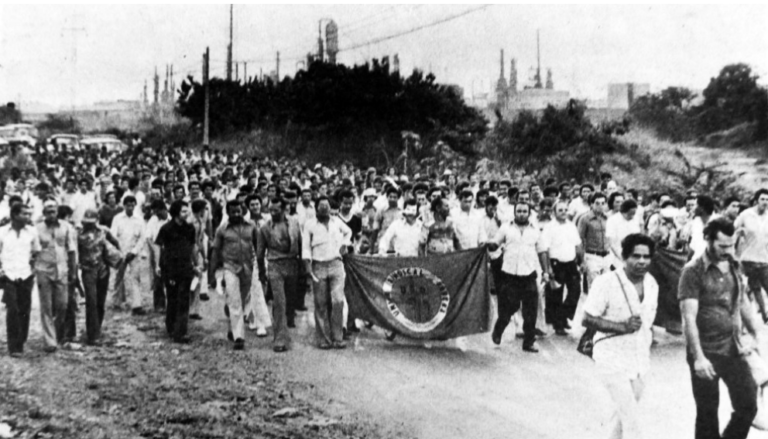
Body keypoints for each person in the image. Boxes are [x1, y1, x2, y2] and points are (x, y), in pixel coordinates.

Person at [679, 217, 761, 439]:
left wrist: (756, 335)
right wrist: (698, 358)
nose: (728, 251)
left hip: (734, 348)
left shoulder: (734, 264)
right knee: (707, 413)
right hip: (706, 351)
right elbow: (688, 317)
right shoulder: (692, 271)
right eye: (722, 246)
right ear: (707, 239)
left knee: (748, 405)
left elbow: (742, 301)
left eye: (731, 245)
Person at [583, 233, 658, 439]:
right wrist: (620, 327)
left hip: (639, 359)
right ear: (624, 257)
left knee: (623, 415)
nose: (642, 261)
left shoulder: (652, 284)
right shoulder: (606, 282)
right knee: (631, 417)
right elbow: (587, 318)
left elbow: (647, 323)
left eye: (646, 257)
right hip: (610, 357)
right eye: (636, 256)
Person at [487, 202, 550, 352]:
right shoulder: (506, 228)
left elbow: (542, 251)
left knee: (530, 311)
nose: (521, 214)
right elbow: (495, 244)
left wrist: (546, 272)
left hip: (528, 275)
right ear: (514, 213)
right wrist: (488, 245)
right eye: (519, 211)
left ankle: (528, 342)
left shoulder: (535, 230)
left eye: (524, 211)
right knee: (509, 308)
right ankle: (499, 329)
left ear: (529, 213)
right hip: (509, 275)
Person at [302, 195, 352, 349]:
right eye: (321, 206)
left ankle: (338, 337)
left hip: (336, 264)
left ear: (330, 208)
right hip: (318, 266)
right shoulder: (309, 225)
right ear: (316, 208)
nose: (324, 209)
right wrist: (307, 267)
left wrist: (344, 244)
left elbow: (349, 232)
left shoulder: (337, 222)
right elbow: (306, 247)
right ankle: (324, 339)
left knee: (338, 301)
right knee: (321, 303)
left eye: (327, 206)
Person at [209, 201, 259, 350]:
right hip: (230, 267)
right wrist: (212, 274)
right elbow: (215, 251)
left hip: (247, 268)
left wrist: (261, 268)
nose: (236, 214)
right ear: (228, 213)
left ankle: (232, 325)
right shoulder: (222, 229)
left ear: (242, 211)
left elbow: (258, 247)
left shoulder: (251, 226)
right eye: (233, 212)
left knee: (241, 300)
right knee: (235, 300)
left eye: (239, 211)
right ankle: (239, 337)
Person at [257, 197, 302, 352]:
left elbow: (301, 244)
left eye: (276, 210)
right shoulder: (265, 228)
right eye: (271, 210)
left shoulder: (294, 223)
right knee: (279, 301)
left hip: (292, 263)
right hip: (275, 264)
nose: (273, 213)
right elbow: (260, 253)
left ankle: (285, 330)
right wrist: (262, 272)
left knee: (289, 301)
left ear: (284, 209)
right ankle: (279, 339)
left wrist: (303, 267)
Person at [35, 200, 78, 352]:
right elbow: (32, 250)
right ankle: (50, 341)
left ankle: (58, 334)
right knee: (46, 307)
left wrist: (73, 272)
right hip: (43, 270)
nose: (51, 214)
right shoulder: (37, 228)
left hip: (62, 270)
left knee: (62, 305)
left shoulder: (66, 227)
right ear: (44, 213)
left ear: (57, 212)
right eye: (48, 211)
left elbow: (71, 250)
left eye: (53, 211)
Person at [0, 203, 41, 357]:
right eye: (24, 214)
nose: (28, 217)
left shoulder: (31, 232)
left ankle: (21, 339)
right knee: (12, 309)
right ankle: (14, 346)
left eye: (29, 214)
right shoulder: (2, 232)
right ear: (14, 215)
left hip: (26, 275)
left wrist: (33, 269)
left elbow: (36, 251)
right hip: (8, 275)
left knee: (24, 309)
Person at [155, 200, 198, 344]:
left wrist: (197, 264)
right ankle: (171, 326)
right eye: (183, 211)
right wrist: (158, 265)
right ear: (176, 212)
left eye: (187, 211)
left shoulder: (190, 228)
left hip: (185, 267)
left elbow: (193, 246)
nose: (186, 214)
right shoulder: (166, 229)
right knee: (172, 298)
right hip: (170, 268)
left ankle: (181, 332)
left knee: (184, 299)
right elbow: (158, 246)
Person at [78, 208, 121, 345]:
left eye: (92, 222)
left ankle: (97, 328)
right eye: (87, 222)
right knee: (91, 301)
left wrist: (115, 255)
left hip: (103, 270)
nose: (89, 224)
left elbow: (115, 242)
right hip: (88, 271)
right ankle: (93, 335)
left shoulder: (104, 231)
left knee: (100, 302)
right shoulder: (78, 233)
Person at [541, 200, 583, 335]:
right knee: (555, 295)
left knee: (576, 290)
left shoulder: (571, 226)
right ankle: (558, 324)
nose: (564, 212)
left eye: (565, 210)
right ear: (554, 212)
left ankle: (563, 316)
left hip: (571, 263)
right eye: (560, 210)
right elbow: (545, 249)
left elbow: (578, 244)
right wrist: (548, 268)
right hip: (556, 263)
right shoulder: (549, 227)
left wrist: (582, 261)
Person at [110, 195, 149, 315]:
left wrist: (134, 252)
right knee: (118, 277)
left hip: (133, 252)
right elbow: (113, 236)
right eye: (128, 205)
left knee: (135, 278)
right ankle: (116, 302)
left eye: (132, 205)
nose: (130, 208)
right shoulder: (117, 218)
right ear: (124, 205)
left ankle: (136, 305)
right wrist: (120, 252)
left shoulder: (139, 219)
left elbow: (142, 238)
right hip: (120, 251)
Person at [734, 189, 768, 323]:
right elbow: (733, 229)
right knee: (755, 288)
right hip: (748, 258)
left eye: (767, 200)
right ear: (756, 200)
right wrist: (739, 232)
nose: (765, 202)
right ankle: (764, 315)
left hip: (765, 258)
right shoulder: (746, 215)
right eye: (762, 199)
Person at [578, 192, 611, 291]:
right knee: (595, 287)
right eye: (597, 203)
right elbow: (580, 240)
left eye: (603, 203)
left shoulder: (608, 218)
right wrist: (582, 260)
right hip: (592, 256)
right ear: (591, 204)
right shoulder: (585, 219)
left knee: (607, 286)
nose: (600, 206)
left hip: (606, 256)